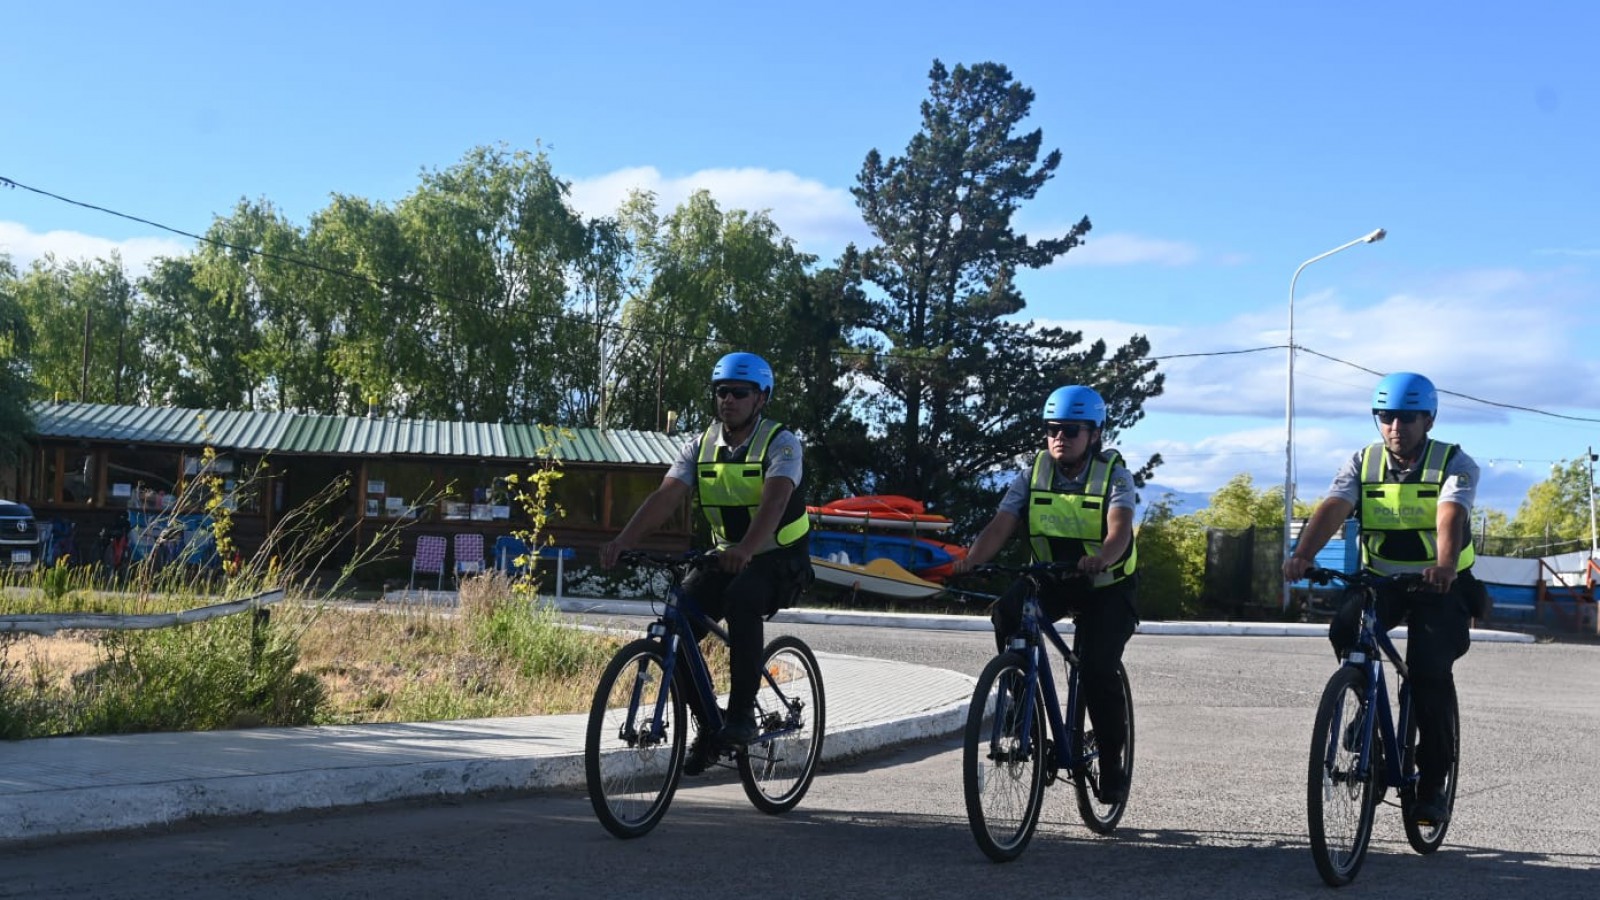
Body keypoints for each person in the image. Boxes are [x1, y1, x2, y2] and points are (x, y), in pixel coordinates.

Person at [1283, 371, 1488, 826]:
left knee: (1428, 673)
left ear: (1428, 420)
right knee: (1345, 629)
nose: (1396, 426)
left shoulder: (1454, 462)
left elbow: (1450, 514)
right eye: (1386, 417)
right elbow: (1335, 505)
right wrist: (1302, 555)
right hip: (1382, 581)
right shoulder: (1363, 462)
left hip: (1442, 585)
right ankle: (1367, 713)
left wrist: (1446, 566)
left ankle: (1432, 783)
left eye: (1407, 418)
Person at [599, 351, 813, 774]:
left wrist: (747, 549)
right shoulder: (700, 446)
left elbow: (775, 500)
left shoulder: (781, 443)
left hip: (780, 559)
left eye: (739, 392)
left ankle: (739, 719)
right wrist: (623, 540)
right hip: (728, 556)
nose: (728, 400)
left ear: (761, 398)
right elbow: (665, 496)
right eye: (721, 392)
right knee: (677, 626)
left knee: (743, 597)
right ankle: (710, 729)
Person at [952, 385, 1138, 803]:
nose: (1060, 437)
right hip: (1052, 578)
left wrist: (1102, 558)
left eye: (1071, 430)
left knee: (1095, 669)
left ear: (1094, 434)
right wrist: (973, 559)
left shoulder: (1114, 475)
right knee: (1007, 614)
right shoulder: (1031, 474)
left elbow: (1119, 529)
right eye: (1052, 428)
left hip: (1106, 586)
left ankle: (1112, 762)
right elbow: (1001, 523)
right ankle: (1021, 708)